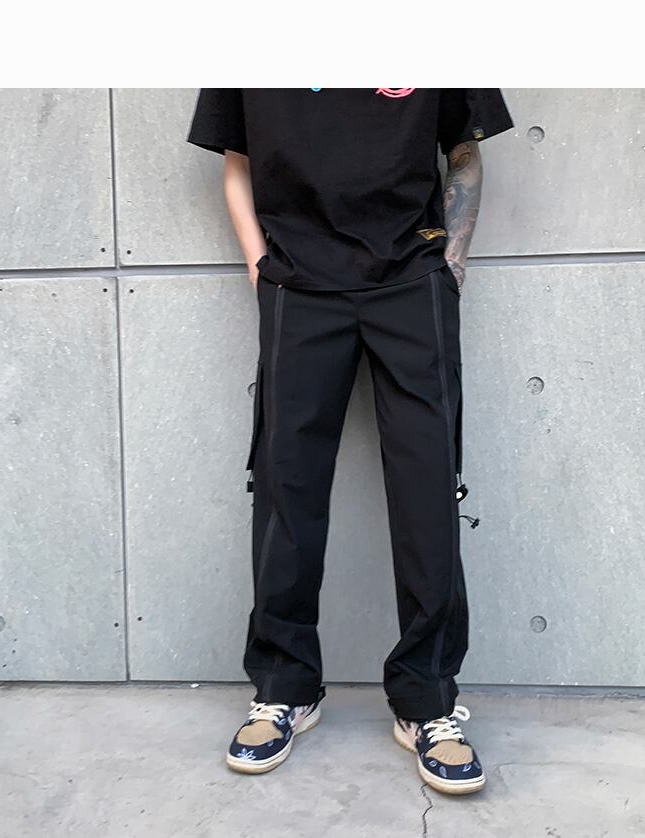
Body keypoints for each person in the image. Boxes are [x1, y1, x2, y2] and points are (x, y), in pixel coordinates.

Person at [187, 88, 513, 795]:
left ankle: (427, 700)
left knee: (428, 493)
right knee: (286, 487)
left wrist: (449, 268)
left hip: (412, 282)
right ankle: (284, 687)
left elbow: (464, 151)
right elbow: (236, 160)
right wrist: (260, 270)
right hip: (297, 285)